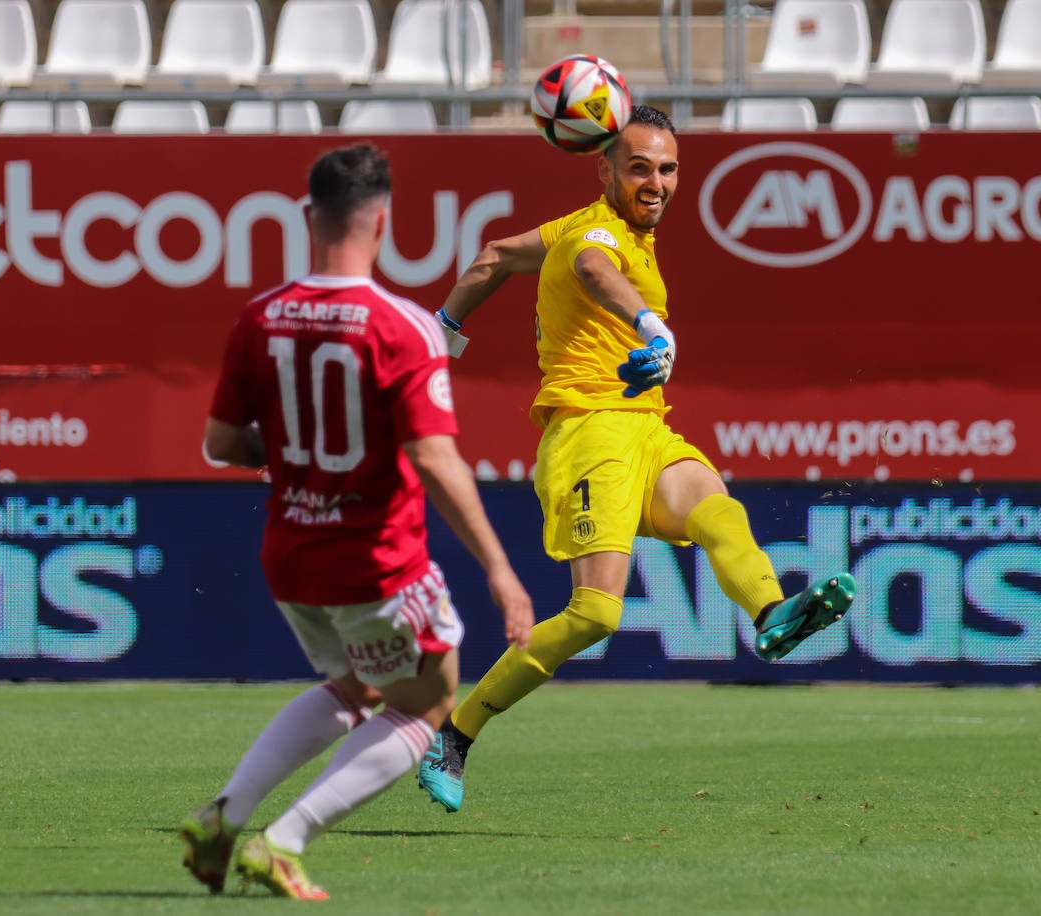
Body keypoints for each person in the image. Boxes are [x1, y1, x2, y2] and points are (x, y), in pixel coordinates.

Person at [416, 105, 856, 814]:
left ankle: (772, 612)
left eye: (668, 168)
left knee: (716, 505)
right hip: (589, 433)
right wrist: (651, 323)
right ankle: (456, 736)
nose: (656, 182)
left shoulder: (576, 229)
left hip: (647, 429)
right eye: (640, 167)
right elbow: (594, 272)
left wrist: (445, 328)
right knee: (595, 616)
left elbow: (492, 255)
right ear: (606, 170)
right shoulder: (595, 232)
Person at [178, 143, 534, 899]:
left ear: (309, 218)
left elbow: (220, 445)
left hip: (290, 553)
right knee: (427, 704)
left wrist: (294, 452)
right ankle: (282, 840)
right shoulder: (402, 325)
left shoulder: (260, 317)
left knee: (351, 688)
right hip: (374, 560)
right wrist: (501, 572)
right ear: (384, 225)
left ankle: (221, 816)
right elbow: (436, 459)